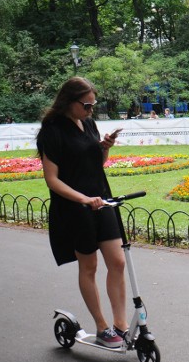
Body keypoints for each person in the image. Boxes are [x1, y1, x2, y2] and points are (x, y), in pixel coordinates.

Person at [36, 77, 128, 348]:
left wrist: (105, 149)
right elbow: (52, 179)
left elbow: (95, 163)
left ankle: (120, 325)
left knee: (118, 262)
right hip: (75, 207)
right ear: (69, 101)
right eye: (86, 105)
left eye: (93, 105)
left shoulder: (88, 122)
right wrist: (84, 199)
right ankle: (101, 327)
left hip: (101, 199)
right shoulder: (51, 131)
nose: (91, 110)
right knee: (90, 266)